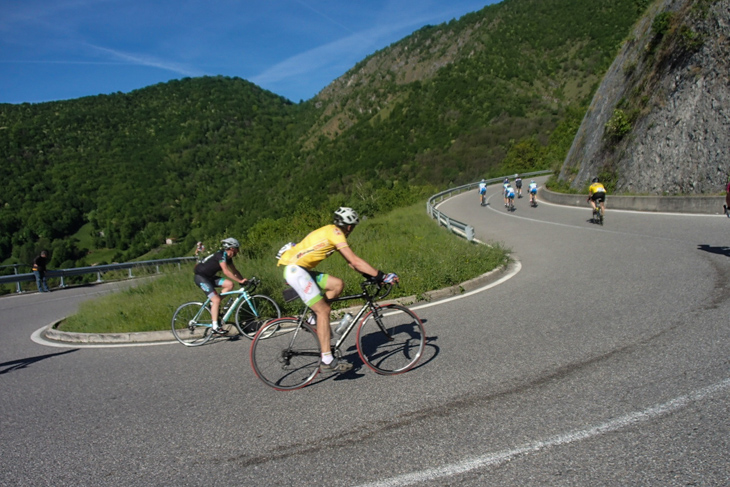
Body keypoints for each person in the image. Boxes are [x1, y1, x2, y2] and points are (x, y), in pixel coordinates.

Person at [277, 207, 398, 373]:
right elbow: (355, 261)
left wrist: (370, 276)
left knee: (337, 284)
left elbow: (350, 262)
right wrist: (382, 276)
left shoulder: (330, 231)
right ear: (349, 227)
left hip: (298, 269)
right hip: (296, 271)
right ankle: (327, 360)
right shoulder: (336, 233)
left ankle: (314, 321)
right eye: (353, 227)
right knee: (324, 310)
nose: (352, 230)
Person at [193, 238, 248, 334]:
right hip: (201, 277)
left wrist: (242, 280)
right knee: (217, 300)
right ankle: (215, 327)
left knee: (230, 284)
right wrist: (240, 280)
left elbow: (234, 271)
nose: (238, 251)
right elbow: (226, 271)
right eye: (237, 248)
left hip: (209, 277)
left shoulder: (228, 258)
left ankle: (213, 304)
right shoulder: (221, 255)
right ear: (232, 248)